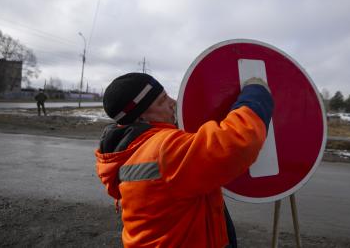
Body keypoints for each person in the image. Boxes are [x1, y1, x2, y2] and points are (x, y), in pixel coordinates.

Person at [95, 72, 273, 248]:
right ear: (141, 116)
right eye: (162, 100)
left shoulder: (128, 151)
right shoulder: (164, 149)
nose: (172, 103)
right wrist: (256, 94)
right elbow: (238, 141)